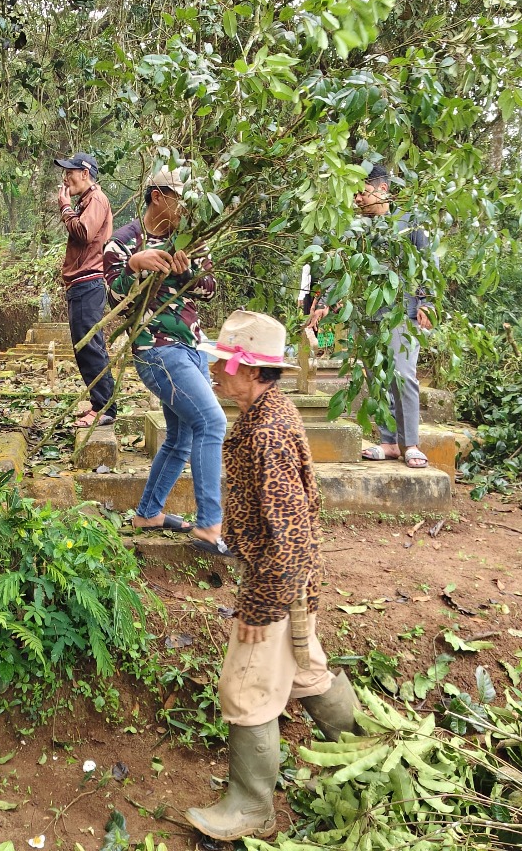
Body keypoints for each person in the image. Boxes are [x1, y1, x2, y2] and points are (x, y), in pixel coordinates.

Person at [185, 310, 355, 842]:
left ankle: (251, 807)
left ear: (252, 369)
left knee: (246, 687)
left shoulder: (269, 432)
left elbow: (293, 535)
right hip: (288, 582)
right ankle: (366, 749)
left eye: (223, 363)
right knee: (306, 669)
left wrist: (261, 607)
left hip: (276, 584)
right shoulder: (263, 414)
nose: (214, 370)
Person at [102, 167, 226, 551]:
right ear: (158, 196)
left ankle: (148, 513)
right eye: (180, 198)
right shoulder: (123, 242)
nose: (186, 207)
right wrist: (135, 266)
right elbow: (114, 300)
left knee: (182, 436)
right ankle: (209, 525)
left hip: (193, 346)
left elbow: (210, 289)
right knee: (212, 422)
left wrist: (189, 270)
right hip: (155, 348)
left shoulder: (189, 239)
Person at [307, 163, 432, 468]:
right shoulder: (357, 230)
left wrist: (427, 303)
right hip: (367, 314)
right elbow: (340, 268)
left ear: (382, 189)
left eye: (362, 193)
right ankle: (388, 442)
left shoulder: (411, 222)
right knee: (378, 378)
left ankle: (410, 444)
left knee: (403, 377)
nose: (358, 200)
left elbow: (427, 264)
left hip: (402, 314)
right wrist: (324, 300)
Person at [53, 151, 116, 428]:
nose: (66, 177)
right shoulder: (87, 201)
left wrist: (65, 207)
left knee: (90, 345)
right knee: (85, 346)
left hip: (89, 282)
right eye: (65, 172)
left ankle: (105, 408)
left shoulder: (97, 199)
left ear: (85, 174)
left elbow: (84, 233)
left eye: (70, 172)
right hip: (80, 283)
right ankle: (99, 403)